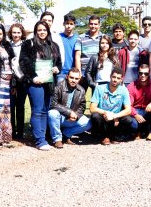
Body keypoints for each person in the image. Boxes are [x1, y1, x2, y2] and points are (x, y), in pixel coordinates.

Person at [19, 21, 62, 150]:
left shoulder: (54, 45)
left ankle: (42, 138)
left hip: (49, 82)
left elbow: (59, 62)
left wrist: (57, 69)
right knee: (37, 111)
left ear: (48, 31)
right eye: (39, 30)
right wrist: (33, 77)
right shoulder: (29, 44)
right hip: (35, 83)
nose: (42, 32)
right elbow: (23, 63)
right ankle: (39, 141)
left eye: (44, 30)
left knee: (45, 110)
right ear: (35, 31)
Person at [88, 66, 135, 145]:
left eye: (118, 78)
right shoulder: (100, 88)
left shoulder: (124, 90)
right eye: (113, 77)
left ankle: (114, 136)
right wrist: (107, 113)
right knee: (95, 116)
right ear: (110, 76)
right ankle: (103, 136)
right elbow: (92, 108)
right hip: (103, 117)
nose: (115, 80)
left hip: (115, 118)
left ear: (121, 80)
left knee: (129, 120)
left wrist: (115, 116)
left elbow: (128, 110)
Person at [47, 68, 91, 148]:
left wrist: (76, 116)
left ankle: (66, 134)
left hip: (71, 118)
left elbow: (82, 106)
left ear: (79, 79)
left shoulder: (81, 90)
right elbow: (53, 104)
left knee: (88, 123)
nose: (74, 80)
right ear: (67, 77)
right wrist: (69, 112)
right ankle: (57, 139)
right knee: (52, 113)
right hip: (59, 117)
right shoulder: (58, 86)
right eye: (71, 77)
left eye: (76, 78)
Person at [128, 63, 151, 141]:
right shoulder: (131, 85)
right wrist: (135, 114)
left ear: (149, 74)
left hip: (148, 111)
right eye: (141, 73)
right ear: (138, 73)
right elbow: (128, 105)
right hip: (136, 111)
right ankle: (139, 131)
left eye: (146, 73)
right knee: (133, 125)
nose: (143, 75)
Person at [8, 23, 29, 139]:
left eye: (18, 32)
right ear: (10, 33)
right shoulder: (7, 45)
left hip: (22, 79)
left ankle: (20, 132)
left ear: (22, 34)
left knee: (20, 105)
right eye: (14, 32)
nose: (16, 35)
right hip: (10, 80)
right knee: (11, 106)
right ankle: (11, 131)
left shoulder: (26, 45)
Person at [76, 14, 105, 88]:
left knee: (97, 98)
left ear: (99, 25)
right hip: (83, 72)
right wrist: (78, 73)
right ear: (88, 24)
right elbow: (77, 56)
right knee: (80, 97)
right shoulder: (81, 37)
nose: (93, 26)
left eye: (95, 24)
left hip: (98, 72)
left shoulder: (104, 38)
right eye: (91, 24)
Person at [56, 14, 80, 83]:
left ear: (74, 25)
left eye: (71, 24)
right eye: (67, 23)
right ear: (63, 24)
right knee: (60, 92)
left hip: (73, 73)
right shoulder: (58, 37)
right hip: (61, 72)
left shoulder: (78, 38)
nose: (69, 26)